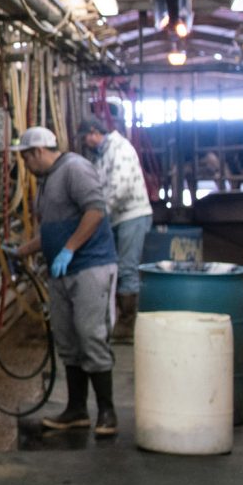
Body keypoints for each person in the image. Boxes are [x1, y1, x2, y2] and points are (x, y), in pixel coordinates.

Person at [12, 125, 119, 436]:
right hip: (62, 270)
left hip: (90, 266)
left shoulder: (75, 169)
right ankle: (76, 410)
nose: (26, 166)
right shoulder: (47, 182)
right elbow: (51, 232)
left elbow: (96, 211)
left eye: (26, 159)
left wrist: (69, 249)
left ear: (38, 152)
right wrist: (22, 251)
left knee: (91, 335)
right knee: (68, 339)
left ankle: (107, 411)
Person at [79, 115, 152, 342]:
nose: (84, 143)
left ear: (93, 132)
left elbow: (120, 189)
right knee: (117, 269)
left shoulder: (119, 149)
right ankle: (118, 319)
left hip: (132, 214)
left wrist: (98, 216)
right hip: (116, 217)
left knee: (127, 268)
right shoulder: (100, 156)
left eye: (85, 138)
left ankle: (128, 325)